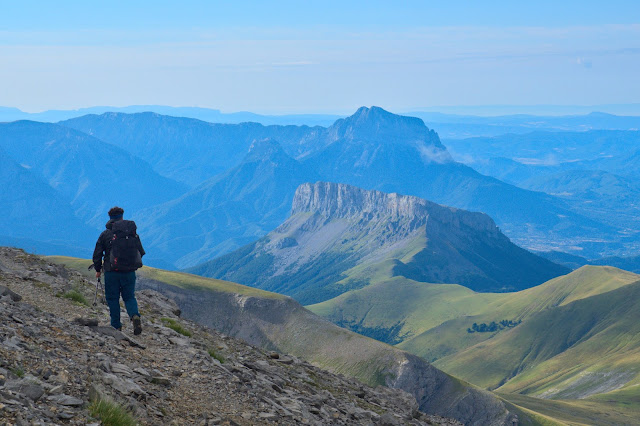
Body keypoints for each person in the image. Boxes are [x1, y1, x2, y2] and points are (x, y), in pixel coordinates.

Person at [92, 206, 145, 334]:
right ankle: (134, 316)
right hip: (129, 271)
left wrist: (98, 269)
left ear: (110, 218)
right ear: (122, 216)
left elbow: (97, 253)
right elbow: (141, 251)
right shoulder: (131, 233)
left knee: (112, 298)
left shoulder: (105, 234)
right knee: (129, 297)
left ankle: (116, 326)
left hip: (111, 272)